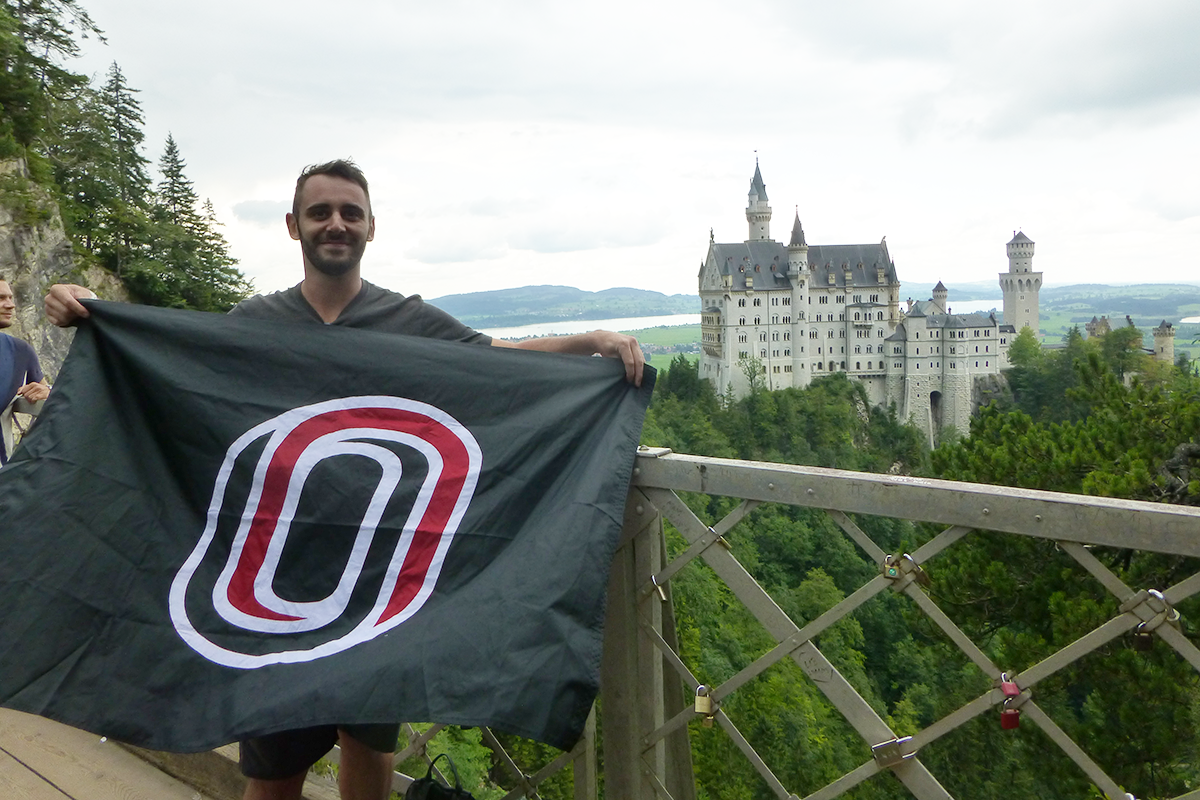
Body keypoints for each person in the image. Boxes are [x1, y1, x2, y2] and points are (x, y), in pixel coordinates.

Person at [45, 159, 644, 800]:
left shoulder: (408, 322)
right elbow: (183, 377)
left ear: (370, 228)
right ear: (293, 226)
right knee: (272, 770)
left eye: (350, 213)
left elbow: (494, 366)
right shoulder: (254, 322)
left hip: (379, 583)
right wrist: (92, 318)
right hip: (271, 580)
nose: (336, 224)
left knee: (370, 753)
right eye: (321, 212)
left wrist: (589, 343)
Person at [1, 276, 50, 466]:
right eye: (1, 298)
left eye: (10, 298)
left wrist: (47, 393)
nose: (10, 305)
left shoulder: (19, 351)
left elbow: (45, 392)